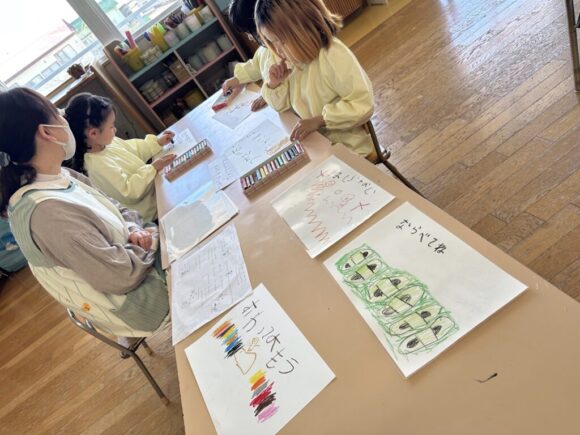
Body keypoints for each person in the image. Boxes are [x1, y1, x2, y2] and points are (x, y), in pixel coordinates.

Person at [0, 87, 169, 341]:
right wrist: (152, 237)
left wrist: (136, 229)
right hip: (145, 299)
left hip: (142, 262)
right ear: (46, 132)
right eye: (57, 113)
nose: (64, 118)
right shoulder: (47, 214)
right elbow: (120, 275)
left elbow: (114, 205)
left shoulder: (59, 175)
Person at [256, 0, 376, 159]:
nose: (277, 50)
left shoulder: (332, 55)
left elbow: (363, 104)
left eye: (281, 40)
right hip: (319, 146)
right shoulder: (295, 60)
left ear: (302, 27)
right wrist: (274, 84)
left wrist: (319, 121)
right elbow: (281, 107)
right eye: (272, 42)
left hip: (351, 148)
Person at [64, 93, 175, 222]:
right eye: (111, 126)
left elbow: (135, 149)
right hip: (153, 214)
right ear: (93, 133)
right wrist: (152, 168)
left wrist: (157, 142)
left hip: (158, 194)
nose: (115, 129)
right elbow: (129, 192)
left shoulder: (107, 143)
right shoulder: (97, 165)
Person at [221, 0, 276, 111]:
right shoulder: (263, 51)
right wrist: (238, 79)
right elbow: (255, 66)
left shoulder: (284, 50)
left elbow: (288, 82)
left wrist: (267, 94)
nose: (250, 38)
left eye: (250, 32)